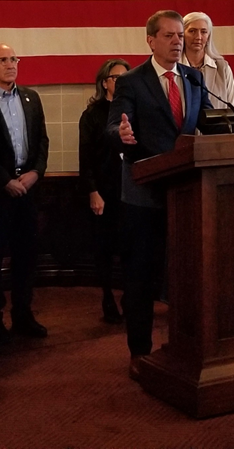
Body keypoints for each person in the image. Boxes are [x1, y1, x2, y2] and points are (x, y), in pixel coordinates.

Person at [106, 10, 234, 379]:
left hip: (185, 194)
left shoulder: (193, 77)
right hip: (144, 193)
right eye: (169, 35)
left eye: (179, 36)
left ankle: (185, 344)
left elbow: (210, 122)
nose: (177, 41)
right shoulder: (133, 82)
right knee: (140, 277)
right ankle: (138, 351)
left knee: (185, 274)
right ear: (150, 40)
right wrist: (119, 132)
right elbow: (114, 123)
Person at [0, 43, 50, 347]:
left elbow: (42, 141)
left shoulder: (31, 98)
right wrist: (4, 180)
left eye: (14, 59)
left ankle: (23, 313)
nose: (10, 64)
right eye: (3, 60)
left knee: (27, 256)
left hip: (28, 191)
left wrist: (36, 172)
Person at [78, 59, 130, 324]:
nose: (121, 82)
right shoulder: (93, 115)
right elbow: (85, 158)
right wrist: (93, 191)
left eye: (126, 77)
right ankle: (108, 295)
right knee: (105, 247)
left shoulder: (135, 110)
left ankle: (130, 297)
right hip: (105, 190)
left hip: (133, 189)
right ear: (105, 82)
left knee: (132, 247)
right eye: (116, 78)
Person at [180, 11, 234, 110]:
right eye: (192, 31)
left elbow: (233, 109)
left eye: (203, 32)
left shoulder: (222, 68)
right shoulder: (173, 67)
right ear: (182, 35)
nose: (198, 37)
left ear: (209, 36)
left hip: (218, 125)